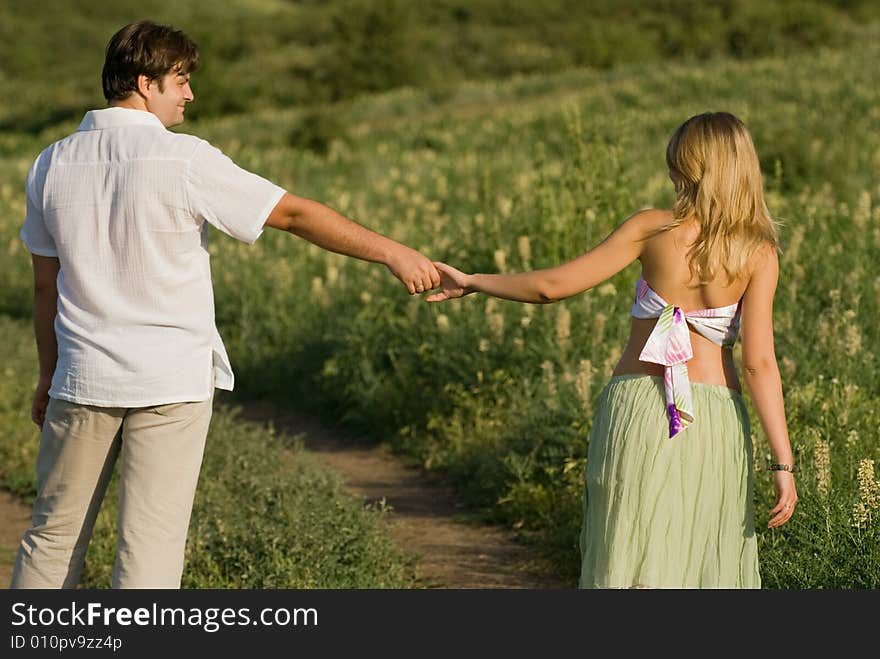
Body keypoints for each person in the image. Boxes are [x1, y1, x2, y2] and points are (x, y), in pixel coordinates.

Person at [12, 20, 440, 589]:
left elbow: (46, 286)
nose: (190, 94)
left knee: (52, 538)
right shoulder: (185, 159)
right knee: (150, 549)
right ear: (146, 83)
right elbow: (291, 214)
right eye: (181, 80)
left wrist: (48, 373)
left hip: (81, 377)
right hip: (169, 381)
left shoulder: (50, 163)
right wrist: (392, 252)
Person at [427, 112, 797, 588]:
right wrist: (782, 464)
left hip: (640, 408)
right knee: (702, 554)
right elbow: (758, 363)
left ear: (688, 166)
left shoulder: (651, 229)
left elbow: (552, 287)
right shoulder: (758, 252)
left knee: (629, 551)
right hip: (716, 420)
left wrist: (475, 280)